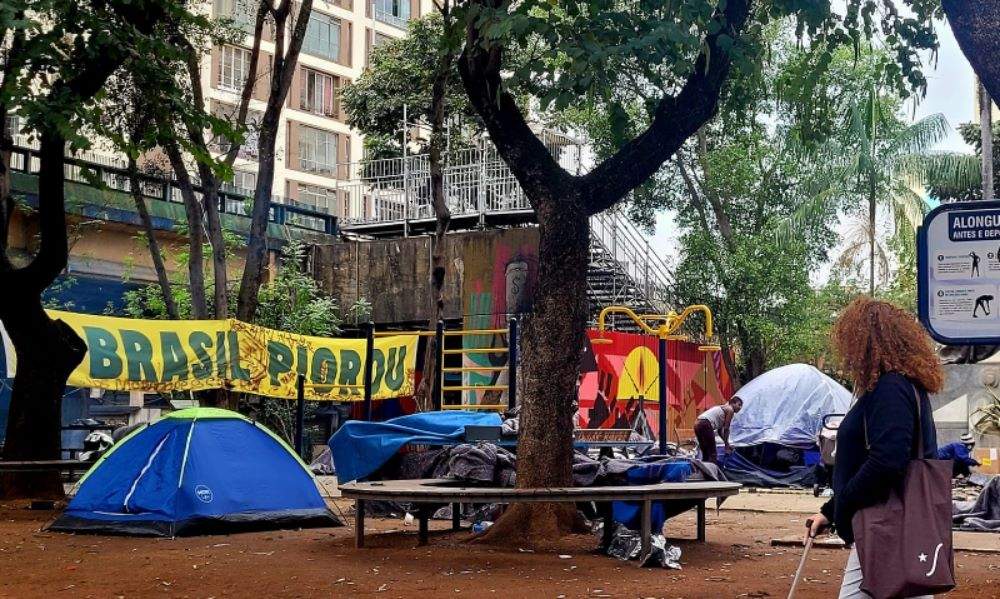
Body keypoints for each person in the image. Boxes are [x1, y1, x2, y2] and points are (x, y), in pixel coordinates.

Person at [806, 298, 943, 599]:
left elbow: (887, 461)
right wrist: (831, 511)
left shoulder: (890, 388)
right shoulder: (902, 387)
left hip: (885, 527)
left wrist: (844, 505)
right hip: (896, 525)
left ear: (865, 341)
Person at [693, 397, 742, 464]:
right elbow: (726, 428)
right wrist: (727, 447)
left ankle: (704, 471)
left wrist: (726, 443)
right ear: (732, 403)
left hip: (697, 424)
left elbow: (720, 431)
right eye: (739, 405)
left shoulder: (723, 410)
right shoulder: (730, 409)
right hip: (705, 424)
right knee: (712, 453)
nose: (740, 407)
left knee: (705, 452)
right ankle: (712, 471)